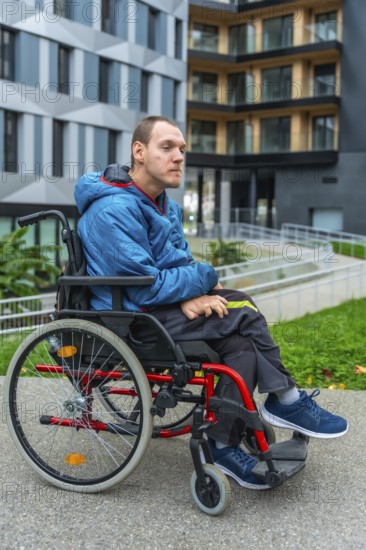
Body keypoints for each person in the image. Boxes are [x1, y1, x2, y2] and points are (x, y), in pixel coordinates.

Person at [74, 116, 348, 490]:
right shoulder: (112, 210)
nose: (178, 157)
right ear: (139, 152)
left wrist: (193, 292)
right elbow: (145, 285)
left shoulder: (161, 204)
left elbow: (178, 262)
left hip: (158, 305)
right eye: (167, 147)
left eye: (182, 150)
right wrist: (199, 283)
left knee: (239, 345)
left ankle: (221, 443)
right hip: (133, 317)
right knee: (244, 310)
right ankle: (286, 398)